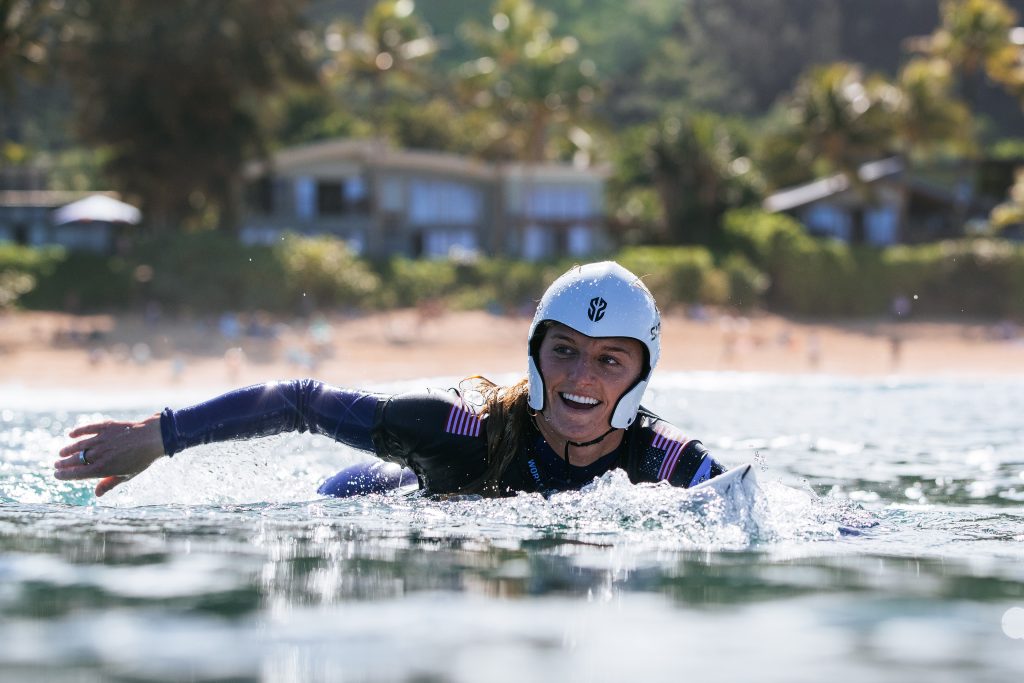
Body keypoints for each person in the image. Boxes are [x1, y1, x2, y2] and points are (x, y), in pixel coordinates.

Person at [54, 262, 726, 499]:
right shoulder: (461, 430)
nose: (582, 377)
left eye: (610, 359)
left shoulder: (663, 456)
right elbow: (300, 402)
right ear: (534, 353)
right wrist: (158, 435)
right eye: (565, 350)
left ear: (642, 374)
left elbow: (766, 507)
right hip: (365, 502)